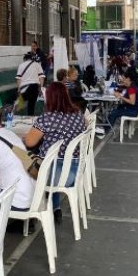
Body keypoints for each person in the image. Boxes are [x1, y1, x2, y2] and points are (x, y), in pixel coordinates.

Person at [23, 82, 86, 222]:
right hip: (75, 171)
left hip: (52, 175)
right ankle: (55, 206)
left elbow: (29, 142)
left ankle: (27, 209)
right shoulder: (78, 114)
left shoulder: (48, 118)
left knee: (21, 158)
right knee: (53, 159)